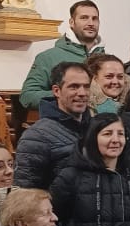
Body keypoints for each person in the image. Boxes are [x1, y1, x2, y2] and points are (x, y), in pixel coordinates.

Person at [14, 61, 93, 190]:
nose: (82, 93)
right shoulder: (36, 136)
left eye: (86, 86)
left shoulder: (96, 127)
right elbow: (25, 193)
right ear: (56, 91)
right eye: (74, 86)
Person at [20, 0, 102, 109]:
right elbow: (28, 96)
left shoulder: (106, 60)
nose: (91, 23)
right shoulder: (48, 58)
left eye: (94, 19)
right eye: (84, 18)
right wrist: (64, 94)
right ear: (72, 22)